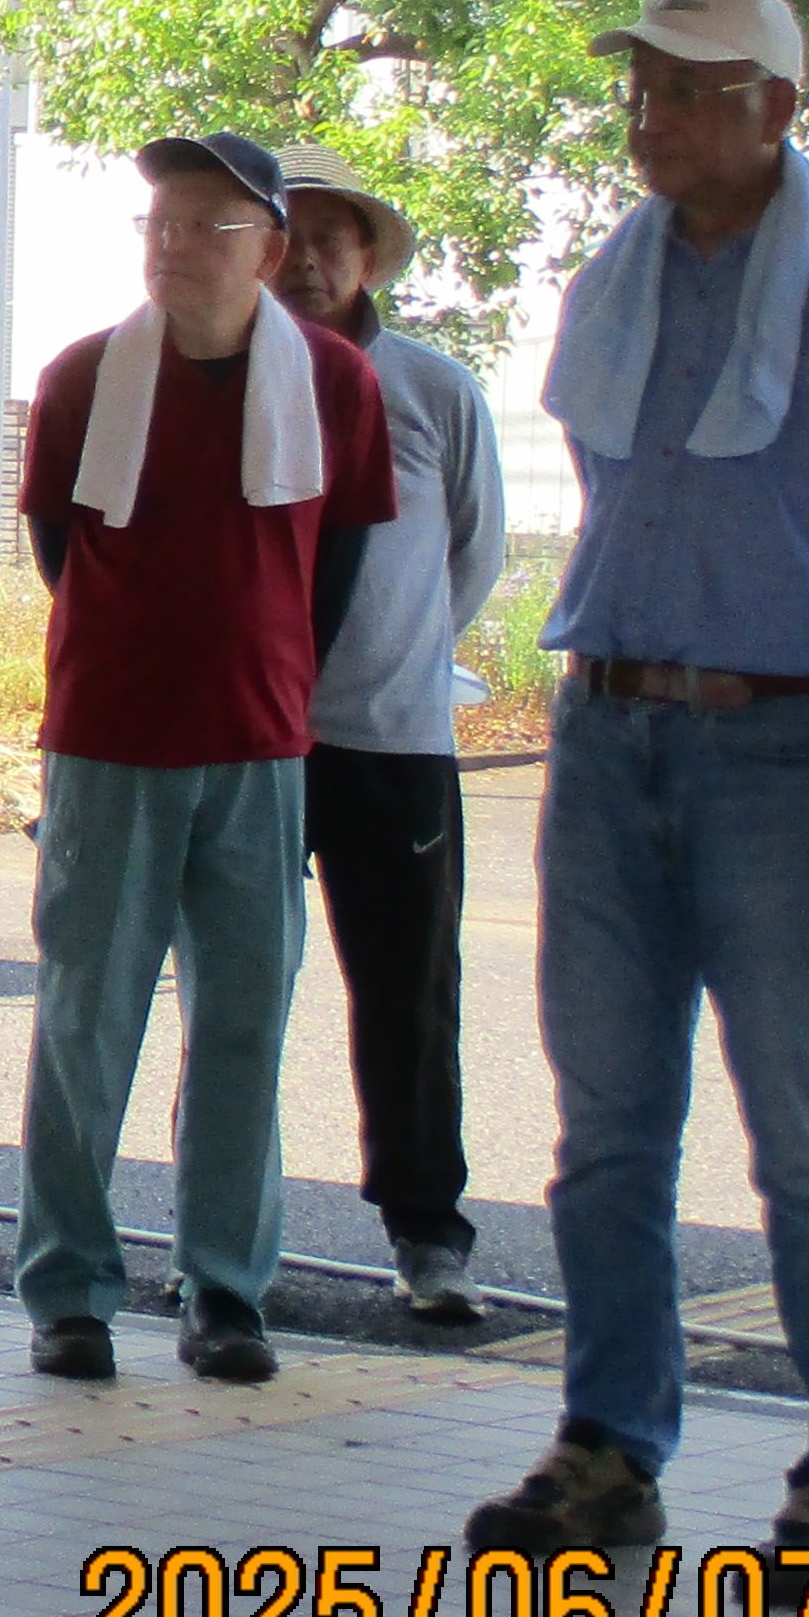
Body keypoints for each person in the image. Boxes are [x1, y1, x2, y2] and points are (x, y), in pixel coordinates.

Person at [463, 0, 809, 1606]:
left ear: (776, 107)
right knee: (604, 1134)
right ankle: (608, 1447)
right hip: (605, 739)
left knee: (807, 1137)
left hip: (783, 746)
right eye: (641, 86)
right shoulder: (609, 281)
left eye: (690, 90)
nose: (651, 116)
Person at [11, 134, 396, 1386]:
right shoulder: (80, 380)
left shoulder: (334, 385)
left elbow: (331, 570)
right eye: (157, 224)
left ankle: (225, 1289)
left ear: (268, 252)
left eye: (205, 227)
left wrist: (266, 675)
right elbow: (59, 548)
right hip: (110, 740)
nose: (171, 247)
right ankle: (67, 1286)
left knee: (242, 1027)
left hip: (258, 748)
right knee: (87, 1021)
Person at [269, 147, 511, 1322]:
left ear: (368, 259)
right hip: (249, 742)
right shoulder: (217, 376)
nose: (309, 259)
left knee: (409, 995)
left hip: (397, 741)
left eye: (334, 237)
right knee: (234, 990)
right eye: (288, 233)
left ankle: (427, 1232)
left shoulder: (434, 389)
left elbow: (473, 554)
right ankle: (225, 1231)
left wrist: (398, 653)